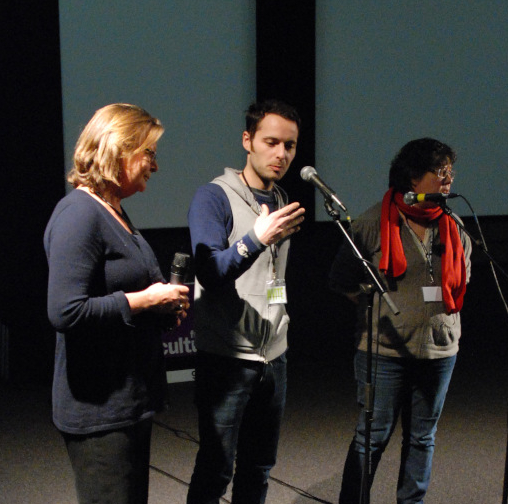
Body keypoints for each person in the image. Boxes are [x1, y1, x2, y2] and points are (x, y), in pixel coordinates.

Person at [45, 103, 191, 504]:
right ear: (118, 149)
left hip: (127, 403)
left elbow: (123, 305)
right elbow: (65, 311)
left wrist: (161, 309)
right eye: (149, 153)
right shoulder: (79, 214)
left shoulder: (115, 212)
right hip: (98, 412)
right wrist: (144, 300)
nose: (154, 166)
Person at [329, 138, 472, 504]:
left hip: (440, 350)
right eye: (440, 172)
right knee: (371, 437)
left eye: (450, 172)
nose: (448, 180)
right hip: (383, 352)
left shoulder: (455, 227)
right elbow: (341, 279)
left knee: (423, 437)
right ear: (412, 178)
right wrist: (370, 307)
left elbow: (463, 280)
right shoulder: (372, 223)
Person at [185, 99, 306, 504]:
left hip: (274, 355)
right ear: (247, 140)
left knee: (258, 468)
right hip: (227, 357)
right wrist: (256, 239)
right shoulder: (213, 197)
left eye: (289, 146)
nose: (281, 154)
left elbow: (273, 278)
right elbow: (210, 272)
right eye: (271, 142)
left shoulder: (283, 195)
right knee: (216, 468)